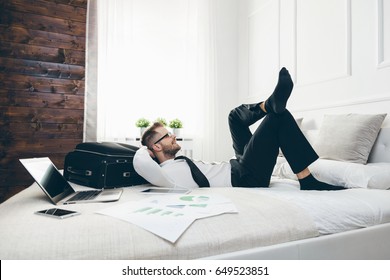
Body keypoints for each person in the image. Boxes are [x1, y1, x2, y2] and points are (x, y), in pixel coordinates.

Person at [133, 67, 345, 191]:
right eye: (167, 135)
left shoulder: (175, 164)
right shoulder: (162, 176)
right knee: (277, 119)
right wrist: (146, 149)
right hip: (246, 178)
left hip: (239, 165)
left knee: (234, 116)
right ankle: (306, 180)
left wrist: (153, 148)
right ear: (157, 147)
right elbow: (140, 160)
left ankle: (268, 104)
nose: (173, 136)